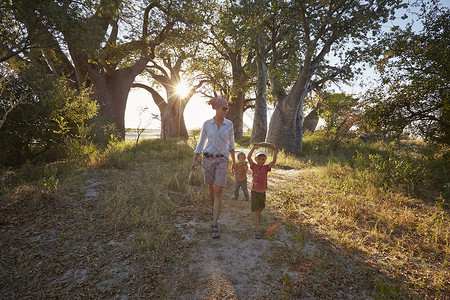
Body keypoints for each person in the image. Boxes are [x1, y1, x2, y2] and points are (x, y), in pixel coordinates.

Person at [191, 97, 236, 238]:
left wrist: (234, 161)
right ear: (216, 108)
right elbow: (201, 143)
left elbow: (231, 144)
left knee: (219, 192)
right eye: (224, 108)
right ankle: (213, 207)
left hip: (222, 160)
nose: (226, 111)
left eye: (227, 108)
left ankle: (215, 224)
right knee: (211, 187)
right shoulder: (207, 124)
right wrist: (194, 161)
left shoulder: (229, 124)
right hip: (208, 159)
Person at [247, 143, 278, 239]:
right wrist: (254, 148)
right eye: (259, 158)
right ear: (256, 159)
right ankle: (256, 229)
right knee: (255, 212)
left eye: (263, 159)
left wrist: (275, 151)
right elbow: (248, 157)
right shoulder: (254, 166)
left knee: (262, 208)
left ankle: (258, 214)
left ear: (265, 160)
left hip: (263, 192)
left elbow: (274, 161)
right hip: (254, 192)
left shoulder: (266, 168)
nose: (261, 160)